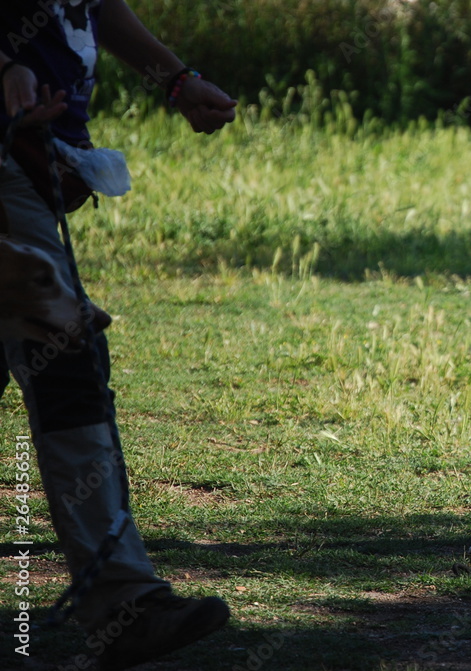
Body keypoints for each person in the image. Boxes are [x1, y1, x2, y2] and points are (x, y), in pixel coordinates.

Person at [1, 1, 237, 668]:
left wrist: (177, 81)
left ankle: (123, 601)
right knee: (65, 353)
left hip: (37, 159)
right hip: (9, 162)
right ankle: (123, 603)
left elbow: (95, 6)